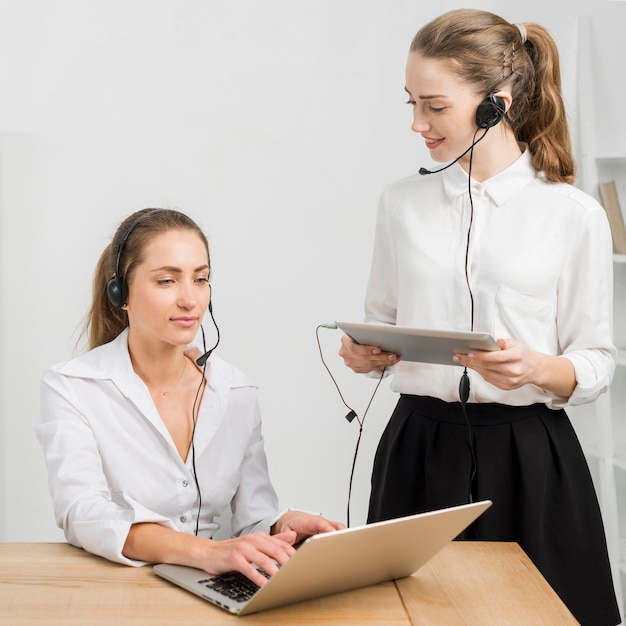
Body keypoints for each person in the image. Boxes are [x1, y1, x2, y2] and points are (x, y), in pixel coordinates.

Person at [338, 9, 620, 625]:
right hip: (417, 449)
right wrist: (366, 355)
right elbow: (381, 319)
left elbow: (598, 362)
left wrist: (541, 368)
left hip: (529, 458)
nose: (417, 124)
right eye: (411, 103)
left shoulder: (571, 214)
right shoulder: (400, 204)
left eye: (434, 106)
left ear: (495, 103)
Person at [37, 208, 343, 588]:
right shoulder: (73, 385)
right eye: (166, 281)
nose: (189, 300)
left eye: (201, 279)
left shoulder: (235, 392)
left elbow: (253, 518)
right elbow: (83, 513)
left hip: (215, 586)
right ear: (121, 292)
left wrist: (283, 526)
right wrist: (207, 553)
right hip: (118, 590)